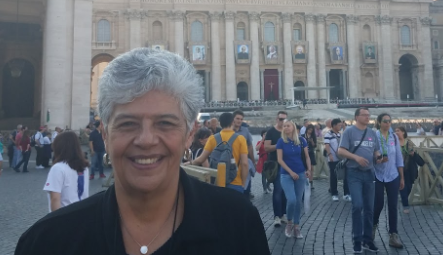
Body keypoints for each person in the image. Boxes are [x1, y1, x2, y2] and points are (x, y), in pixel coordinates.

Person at [15, 48, 270, 255]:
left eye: (165, 123)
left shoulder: (238, 223)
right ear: (104, 133)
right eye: (128, 124)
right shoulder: (46, 242)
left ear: (189, 134)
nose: (146, 140)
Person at [338, 108, 382, 254]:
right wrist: (356, 157)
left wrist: (378, 157)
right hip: (354, 173)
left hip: (369, 173)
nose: (367, 117)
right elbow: (341, 151)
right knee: (357, 205)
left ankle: (367, 240)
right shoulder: (349, 132)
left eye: (369, 115)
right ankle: (357, 240)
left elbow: (376, 150)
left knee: (369, 209)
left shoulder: (372, 133)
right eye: (364, 115)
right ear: (357, 117)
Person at [192, 112, 249, 193]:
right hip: (235, 182)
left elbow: (200, 159)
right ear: (233, 122)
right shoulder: (240, 139)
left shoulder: (212, 138)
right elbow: (244, 164)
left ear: (219, 123)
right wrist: (243, 183)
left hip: (217, 182)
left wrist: (188, 163)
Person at [372, 113, 404, 249]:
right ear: (379, 122)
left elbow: (399, 158)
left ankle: (393, 234)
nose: (387, 123)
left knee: (393, 205)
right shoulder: (373, 136)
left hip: (393, 175)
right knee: (378, 203)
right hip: (377, 174)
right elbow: (369, 154)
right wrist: (377, 160)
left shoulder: (394, 137)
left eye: (389, 121)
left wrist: (401, 177)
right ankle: (372, 227)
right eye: (385, 121)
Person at [276, 120, 311, 239]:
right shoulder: (281, 141)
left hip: (301, 173)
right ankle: (289, 222)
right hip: (286, 174)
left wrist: (309, 170)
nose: (286, 128)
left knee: (298, 201)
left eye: (288, 126)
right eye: (284, 126)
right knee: (291, 200)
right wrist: (291, 172)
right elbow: (280, 160)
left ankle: (297, 226)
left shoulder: (301, 141)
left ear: (293, 127)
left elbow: (307, 156)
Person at [43, 132, 90, 212]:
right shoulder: (84, 167)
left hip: (65, 216)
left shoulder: (58, 168)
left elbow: (55, 199)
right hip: (82, 213)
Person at [264, 111, 288, 227]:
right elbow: (266, 147)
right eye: (281, 119)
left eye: (284, 119)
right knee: (278, 189)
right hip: (276, 165)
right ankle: (277, 216)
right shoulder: (271, 132)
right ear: (276, 119)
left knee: (285, 191)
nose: (283, 121)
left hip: (288, 165)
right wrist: (279, 145)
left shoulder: (288, 131)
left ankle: (283, 213)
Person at [395, 126, 420, 215]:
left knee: (409, 186)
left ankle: (403, 198)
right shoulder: (394, 142)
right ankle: (405, 205)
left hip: (408, 167)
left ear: (403, 132)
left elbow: (413, 150)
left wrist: (412, 152)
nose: (396, 132)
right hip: (398, 168)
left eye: (398, 131)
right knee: (403, 187)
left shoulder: (408, 142)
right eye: (395, 131)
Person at [324, 118, 350, 201]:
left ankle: (346, 193)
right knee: (334, 176)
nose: (340, 127)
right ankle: (334, 193)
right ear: (334, 125)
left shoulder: (340, 134)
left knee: (346, 175)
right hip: (333, 158)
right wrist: (329, 154)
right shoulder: (328, 134)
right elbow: (326, 145)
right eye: (339, 125)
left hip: (341, 158)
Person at [232, 110, 256, 199]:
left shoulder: (245, 131)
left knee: (246, 183)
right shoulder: (228, 131)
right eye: (237, 118)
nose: (239, 121)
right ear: (233, 119)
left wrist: (253, 160)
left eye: (241, 119)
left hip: (245, 161)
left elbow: (250, 146)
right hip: (232, 162)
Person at [302, 124, 317, 190]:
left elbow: (314, 145)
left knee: (311, 168)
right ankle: (305, 181)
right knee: (304, 167)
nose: (310, 131)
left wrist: (312, 141)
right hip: (303, 153)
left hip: (310, 153)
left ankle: (311, 182)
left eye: (311, 130)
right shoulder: (302, 136)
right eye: (309, 130)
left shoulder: (313, 136)